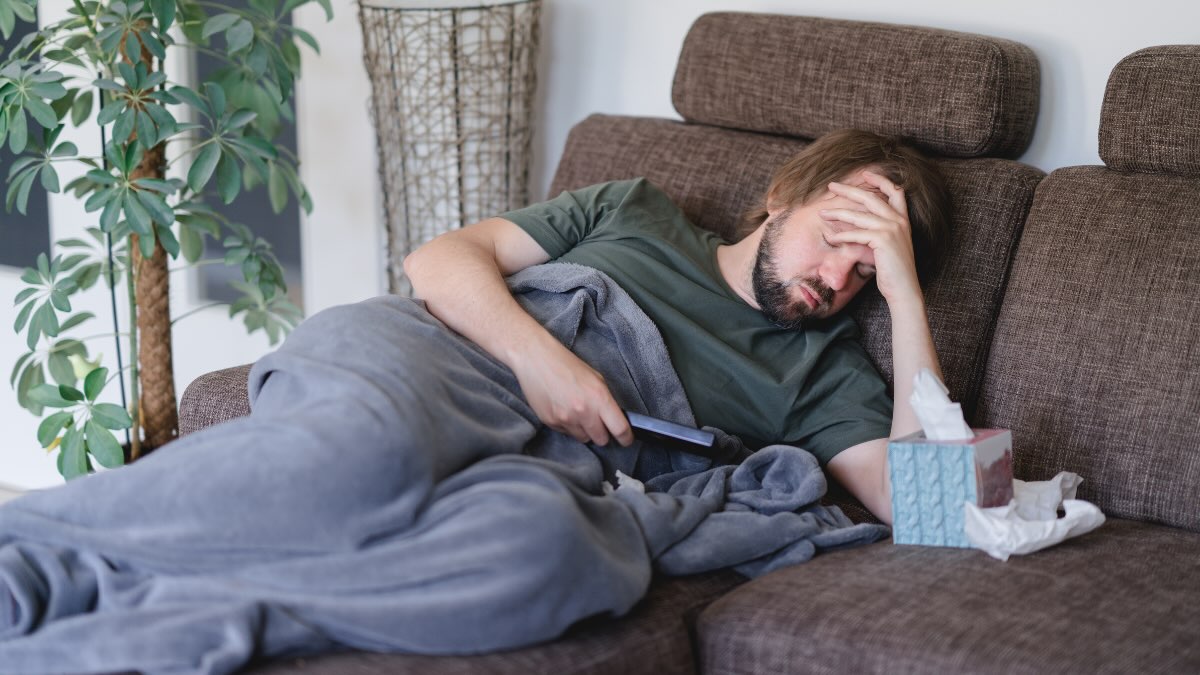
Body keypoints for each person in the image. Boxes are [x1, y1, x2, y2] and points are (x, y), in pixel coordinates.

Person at [406, 128, 951, 524]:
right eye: (833, 238)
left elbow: (920, 503)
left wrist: (905, 296)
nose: (836, 278)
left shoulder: (825, 370)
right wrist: (539, 361)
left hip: (540, 476)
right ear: (781, 197)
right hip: (437, 369)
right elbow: (438, 261)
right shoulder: (630, 209)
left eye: (866, 270)